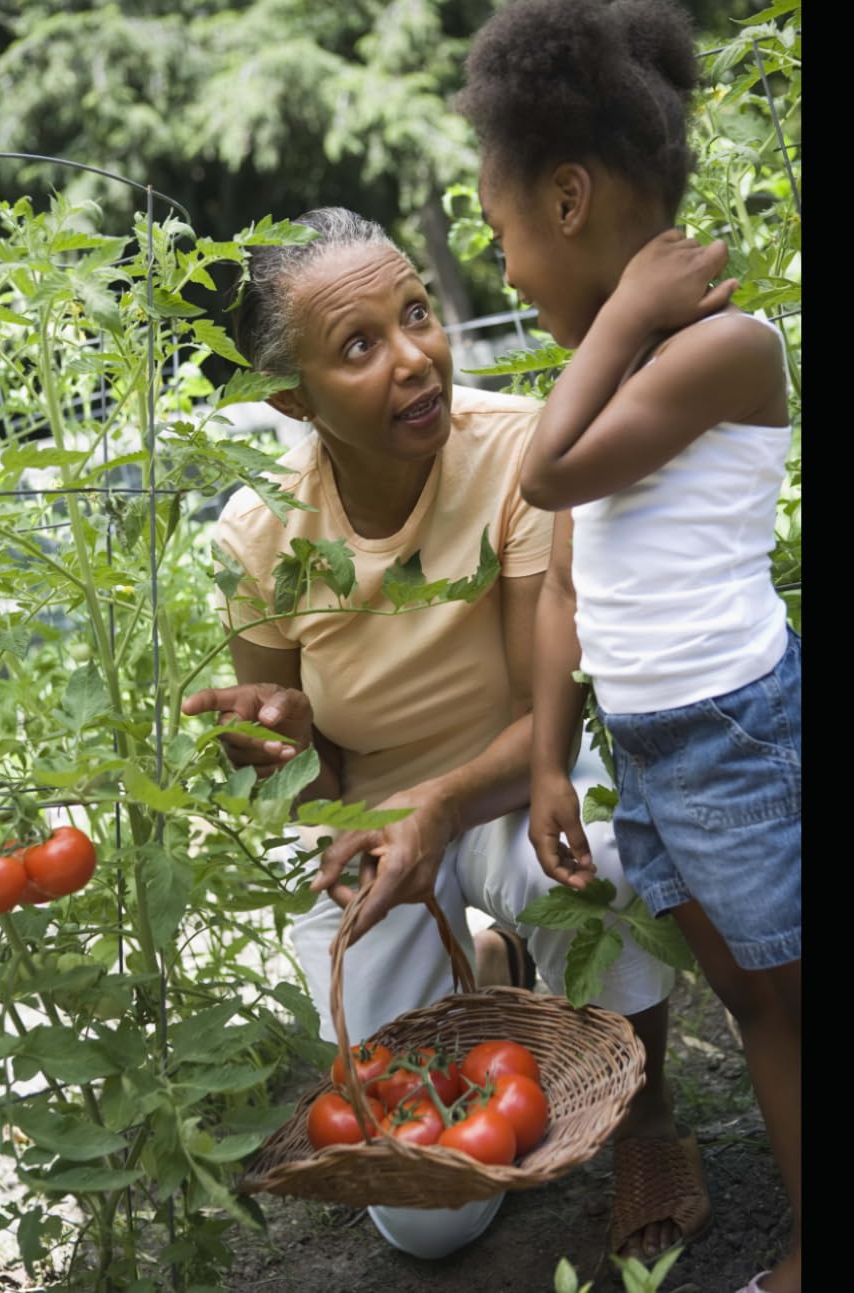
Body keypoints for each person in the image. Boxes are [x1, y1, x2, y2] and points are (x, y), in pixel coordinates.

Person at [181, 205, 717, 1263]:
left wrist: (436, 814)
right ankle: (487, 959)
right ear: (294, 399)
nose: (416, 359)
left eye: (415, 314)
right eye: (359, 345)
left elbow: (545, 717)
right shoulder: (258, 535)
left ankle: (649, 1128)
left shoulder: (519, 451)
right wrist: (284, 752)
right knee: (433, 1222)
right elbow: (304, 777)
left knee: (598, 862)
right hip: (380, 828)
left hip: (516, 785)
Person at [457, 3, 800, 1291]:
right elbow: (569, 589)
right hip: (655, 749)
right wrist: (551, 761)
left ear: (566, 198)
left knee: (785, 1010)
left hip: (734, 736)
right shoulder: (615, 372)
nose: (500, 273)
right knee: (753, 1002)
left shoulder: (723, 349)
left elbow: (544, 475)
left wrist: (623, 315)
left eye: (496, 237)